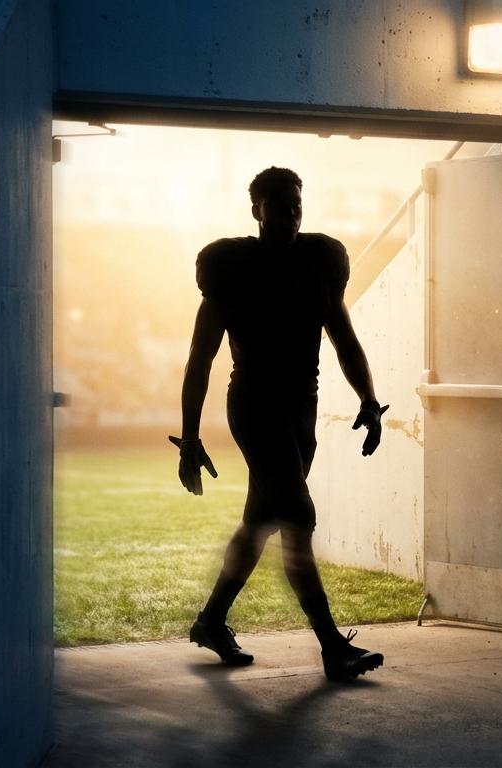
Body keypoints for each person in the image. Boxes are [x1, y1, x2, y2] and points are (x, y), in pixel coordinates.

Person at [170, 166, 388, 681]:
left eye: (296, 203)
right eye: (280, 203)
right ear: (257, 210)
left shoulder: (317, 263)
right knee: (298, 518)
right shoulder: (233, 268)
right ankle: (332, 645)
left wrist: (369, 398)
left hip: (300, 408)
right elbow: (200, 358)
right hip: (254, 405)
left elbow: (344, 339)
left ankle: (211, 621)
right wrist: (191, 437)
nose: (291, 212)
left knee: (260, 523)